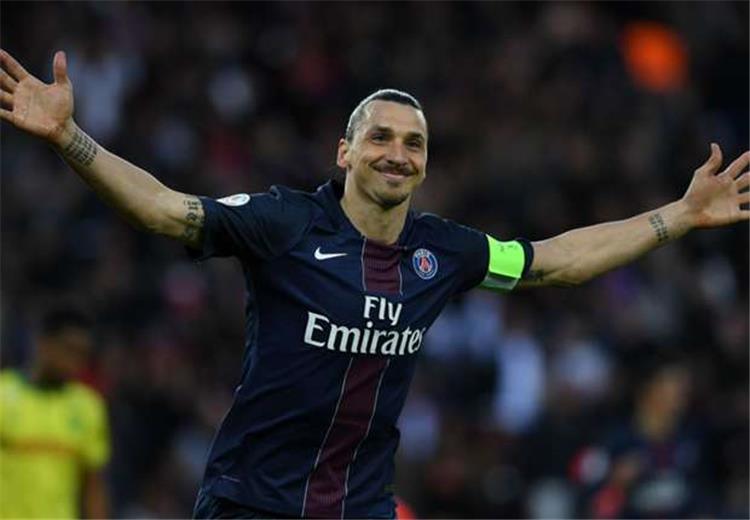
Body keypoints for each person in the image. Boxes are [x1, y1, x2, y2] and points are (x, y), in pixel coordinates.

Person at [0, 49, 747, 519]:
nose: (398, 152)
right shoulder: (284, 223)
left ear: (425, 164)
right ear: (345, 152)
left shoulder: (442, 251)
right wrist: (70, 137)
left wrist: (678, 216)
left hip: (360, 507)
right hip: (251, 502)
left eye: (414, 143)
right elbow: (166, 211)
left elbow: (556, 260)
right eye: (381, 137)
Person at [0, 306, 110, 519]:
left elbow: (93, 488)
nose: (75, 361)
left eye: (82, 354)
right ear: (43, 344)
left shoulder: (88, 407)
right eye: (69, 349)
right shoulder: (3, 396)